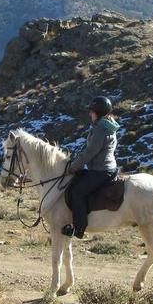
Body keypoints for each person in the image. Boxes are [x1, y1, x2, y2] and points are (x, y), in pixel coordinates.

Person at [62, 96, 120, 239]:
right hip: (106, 167)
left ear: (98, 112)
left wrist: (72, 167)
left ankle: (79, 229)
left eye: (92, 111)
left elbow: (90, 152)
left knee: (77, 192)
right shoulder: (107, 124)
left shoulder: (100, 128)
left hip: (101, 171)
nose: (90, 114)